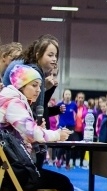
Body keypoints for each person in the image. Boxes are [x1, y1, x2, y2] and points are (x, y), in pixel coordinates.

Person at [0, 65, 73, 191]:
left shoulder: (11, 99)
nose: (38, 90)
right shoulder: (13, 102)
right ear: (21, 85)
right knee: (64, 186)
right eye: (34, 85)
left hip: (12, 169)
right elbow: (32, 133)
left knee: (62, 184)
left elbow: (27, 132)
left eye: (39, 86)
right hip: (13, 173)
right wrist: (57, 135)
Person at [3, 35, 63, 169]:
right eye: (50, 55)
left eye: (56, 56)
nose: (54, 59)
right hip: (16, 144)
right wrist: (56, 133)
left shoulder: (27, 66)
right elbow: (38, 111)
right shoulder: (33, 71)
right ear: (38, 55)